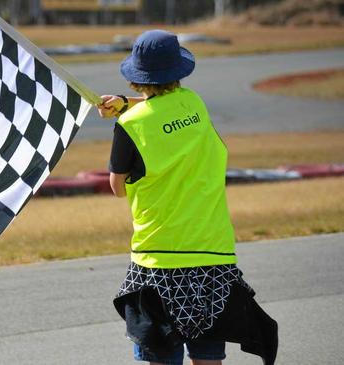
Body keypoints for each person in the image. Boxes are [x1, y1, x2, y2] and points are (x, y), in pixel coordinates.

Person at [96, 30, 278, 365]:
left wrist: (125, 109)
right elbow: (164, 110)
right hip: (212, 252)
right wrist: (124, 104)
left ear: (137, 76)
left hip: (159, 261)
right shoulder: (193, 103)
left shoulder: (131, 125)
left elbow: (117, 186)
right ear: (177, 70)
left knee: (161, 354)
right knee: (209, 357)